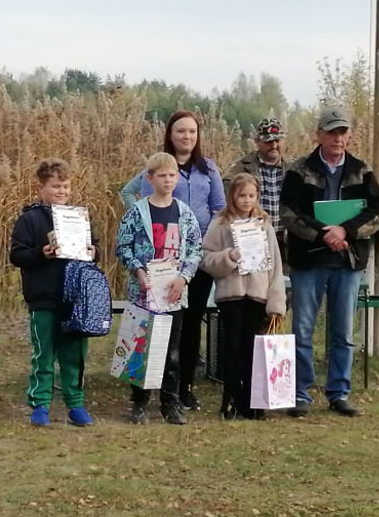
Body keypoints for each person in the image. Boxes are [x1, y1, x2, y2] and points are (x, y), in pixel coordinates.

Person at [280, 108, 379, 417]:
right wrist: (321, 234)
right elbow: (288, 211)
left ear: (348, 135)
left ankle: (339, 393)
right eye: (331, 132)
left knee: (343, 333)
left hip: (347, 260)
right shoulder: (299, 170)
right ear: (319, 135)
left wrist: (346, 231)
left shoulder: (361, 170)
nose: (337, 138)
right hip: (308, 260)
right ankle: (300, 394)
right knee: (302, 329)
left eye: (342, 132)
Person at [120, 110, 225, 410]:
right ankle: (145, 391)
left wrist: (203, 242)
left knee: (189, 324)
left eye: (192, 131)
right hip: (158, 263)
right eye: (181, 131)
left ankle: (183, 388)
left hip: (194, 260)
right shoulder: (159, 166)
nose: (187, 136)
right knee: (152, 325)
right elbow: (138, 201)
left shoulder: (209, 169)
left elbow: (219, 207)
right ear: (170, 134)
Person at [9, 158, 97, 428]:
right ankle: (40, 404)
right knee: (44, 354)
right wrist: (41, 253)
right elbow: (17, 255)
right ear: (41, 188)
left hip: (75, 300)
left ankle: (75, 404)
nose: (62, 191)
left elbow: (95, 248)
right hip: (44, 298)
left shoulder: (78, 217)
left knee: (74, 355)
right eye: (56, 186)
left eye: (66, 186)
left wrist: (94, 251)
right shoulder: (29, 219)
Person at [116, 152, 202, 425]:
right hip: (143, 292)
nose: (167, 180)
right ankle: (139, 402)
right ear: (150, 179)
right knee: (140, 347)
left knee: (171, 351)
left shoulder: (184, 213)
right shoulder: (136, 213)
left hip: (172, 293)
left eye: (172, 175)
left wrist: (184, 278)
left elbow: (195, 249)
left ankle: (170, 402)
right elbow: (123, 246)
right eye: (162, 175)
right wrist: (138, 270)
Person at [200, 173, 286, 420]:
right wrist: (229, 257)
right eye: (242, 196)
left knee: (253, 349)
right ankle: (230, 399)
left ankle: (253, 402)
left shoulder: (264, 224)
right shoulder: (220, 223)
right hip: (232, 296)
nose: (247, 200)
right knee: (233, 348)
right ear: (232, 197)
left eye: (251, 195)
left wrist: (276, 301)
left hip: (257, 295)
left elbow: (275, 265)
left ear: (257, 196)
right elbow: (205, 257)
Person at [223, 117, 288, 262]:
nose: (274, 145)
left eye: (277, 140)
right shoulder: (241, 168)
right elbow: (227, 194)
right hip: (252, 238)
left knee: (281, 276)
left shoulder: (293, 169)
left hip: (285, 242)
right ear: (257, 141)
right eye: (268, 141)